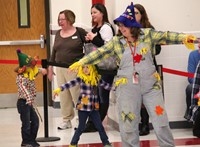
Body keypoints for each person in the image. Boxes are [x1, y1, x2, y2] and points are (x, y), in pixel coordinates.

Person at [69, 2, 198, 147]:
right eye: (120, 25)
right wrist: (81, 62)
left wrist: (189, 38)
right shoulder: (117, 42)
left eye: (125, 25)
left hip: (151, 88)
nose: (121, 28)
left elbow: (167, 36)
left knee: (160, 122)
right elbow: (100, 53)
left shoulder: (148, 35)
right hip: (126, 88)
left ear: (133, 25)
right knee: (128, 125)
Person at [53, 65, 112, 147]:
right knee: (81, 127)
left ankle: (106, 143)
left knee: (100, 127)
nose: (85, 69)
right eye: (83, 68)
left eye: (87, 67)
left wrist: (118, 86)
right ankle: (73, 143)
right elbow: (70, 84)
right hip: (83, 108)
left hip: (94, 108)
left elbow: (107, 86)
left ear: (92, 69)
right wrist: (59, 89)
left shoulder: (96, 79)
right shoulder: (81, 78)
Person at [48, 9, 88, 130]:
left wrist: (86, 64)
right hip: (60, 68)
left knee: (77, 94)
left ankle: (81, 119)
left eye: (62, 19)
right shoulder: (59, 34)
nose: (60, 22)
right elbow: (54, 51)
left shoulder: (79, 32)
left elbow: (90, 47)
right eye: (59, 19)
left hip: (74, 68)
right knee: (64, 94)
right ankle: (66, 120)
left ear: (70, 19)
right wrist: (50, 67)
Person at [83, 3, 115, 132]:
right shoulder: (96, 27)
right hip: (96, 67)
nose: (92, 15)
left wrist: (94, 38)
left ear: (102, 13)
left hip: (105, 67)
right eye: (91, 13)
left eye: (95, 12)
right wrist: (89, 39)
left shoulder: (106, 28)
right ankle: (92, 122)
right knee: (95, 95)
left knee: (103, 95)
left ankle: (96, 123)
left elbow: (108, 47)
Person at [134, 3, 162, 136]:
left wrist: (145, 50)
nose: (133, 16)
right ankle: (139, 123)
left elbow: (158, 49)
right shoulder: (126, 28)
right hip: (133, 69)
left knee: (147, 97)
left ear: (142, 14)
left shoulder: (150, 29)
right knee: (136, 96)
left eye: (136, 13)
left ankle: (145, 124)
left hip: (148, 68)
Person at [15, 49, 47, 147]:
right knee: (26, 124)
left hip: (29, 102)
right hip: (23, 102)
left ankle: (31, 140)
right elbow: (23, 88)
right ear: (25, 67)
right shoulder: (20, 77)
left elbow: (36, 71)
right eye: (31, 66)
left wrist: (42, 70)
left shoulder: (31, 73)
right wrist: (29, 99)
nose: (33, 67)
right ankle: (25, 142)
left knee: (35, 121)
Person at [184, 49, 200, 120]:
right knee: (190, 88)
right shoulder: (193, 55)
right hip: (197, 83)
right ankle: (191, 113)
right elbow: (190, 78)